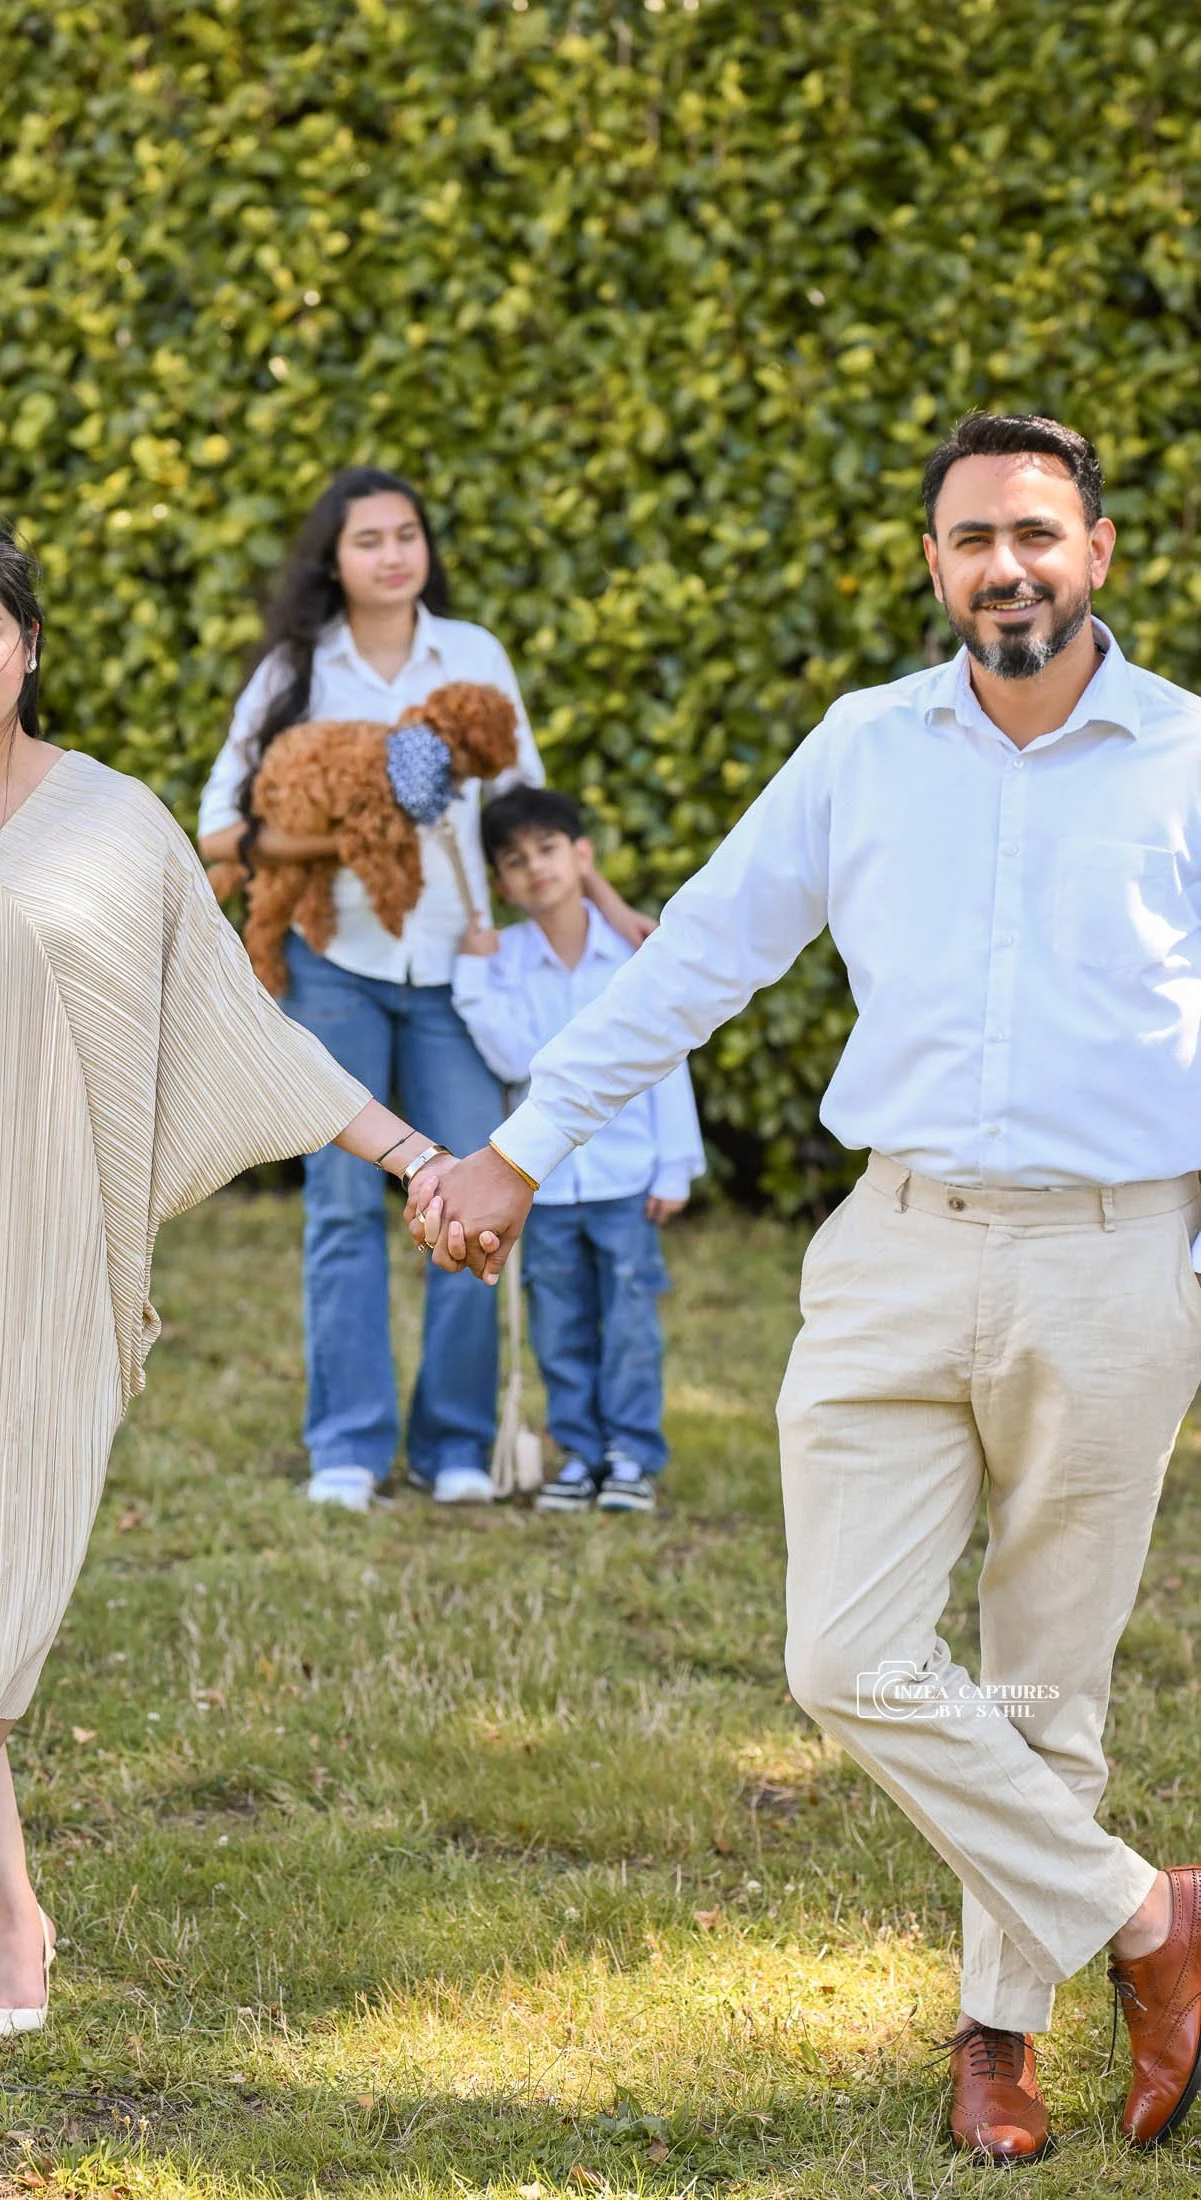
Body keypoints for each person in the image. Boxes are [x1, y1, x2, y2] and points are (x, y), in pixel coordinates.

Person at [407, 413, 1201, 2160]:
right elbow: (691, 952)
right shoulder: (861, 749)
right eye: (968, 537)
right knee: (841, 1653)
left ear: (1097, 553)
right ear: (930, 565)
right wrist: (525, 1145)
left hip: (1113, 1257)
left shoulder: (1182, 758)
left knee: (1045, 1683)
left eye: (1034, 533)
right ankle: (1152, 1923)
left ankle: (996, 2042)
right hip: (894, 1244)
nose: (1004, 565)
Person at [0, 502, 449, 2051]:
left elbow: (235, 1030)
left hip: (56, 1271)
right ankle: (16, 1915)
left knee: (8, 1585)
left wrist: (407, 1152)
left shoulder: (120, 822)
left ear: (29, 638)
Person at [198, 467, 653, 1512]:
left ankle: (455, 1439)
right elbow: (217, 826)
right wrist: (353, 831)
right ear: (334, 558)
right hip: (332, 970)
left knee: (470, 1197)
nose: (393, 555)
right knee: (345, 1205)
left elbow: (522, 806)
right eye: (369, 540)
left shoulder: (475, 657)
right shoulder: (294, 671)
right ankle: (347, 1447)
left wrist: (611, 903)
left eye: (408, 535)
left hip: (456, 976)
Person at [451, 785, 704, 1513]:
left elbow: (665, 1060)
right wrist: (471, 973)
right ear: (501, 882)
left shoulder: (631, 954)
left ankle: (630, 1454)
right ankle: (579, 1454)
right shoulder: (503, 960)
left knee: (628, 1321)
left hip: (626, 1179)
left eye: (548, 849)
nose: (535, 868)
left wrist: (675, 1164)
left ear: (581, 855)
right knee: (558, 1324)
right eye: (514, 860)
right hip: (546, 1187)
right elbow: (509, 1060)